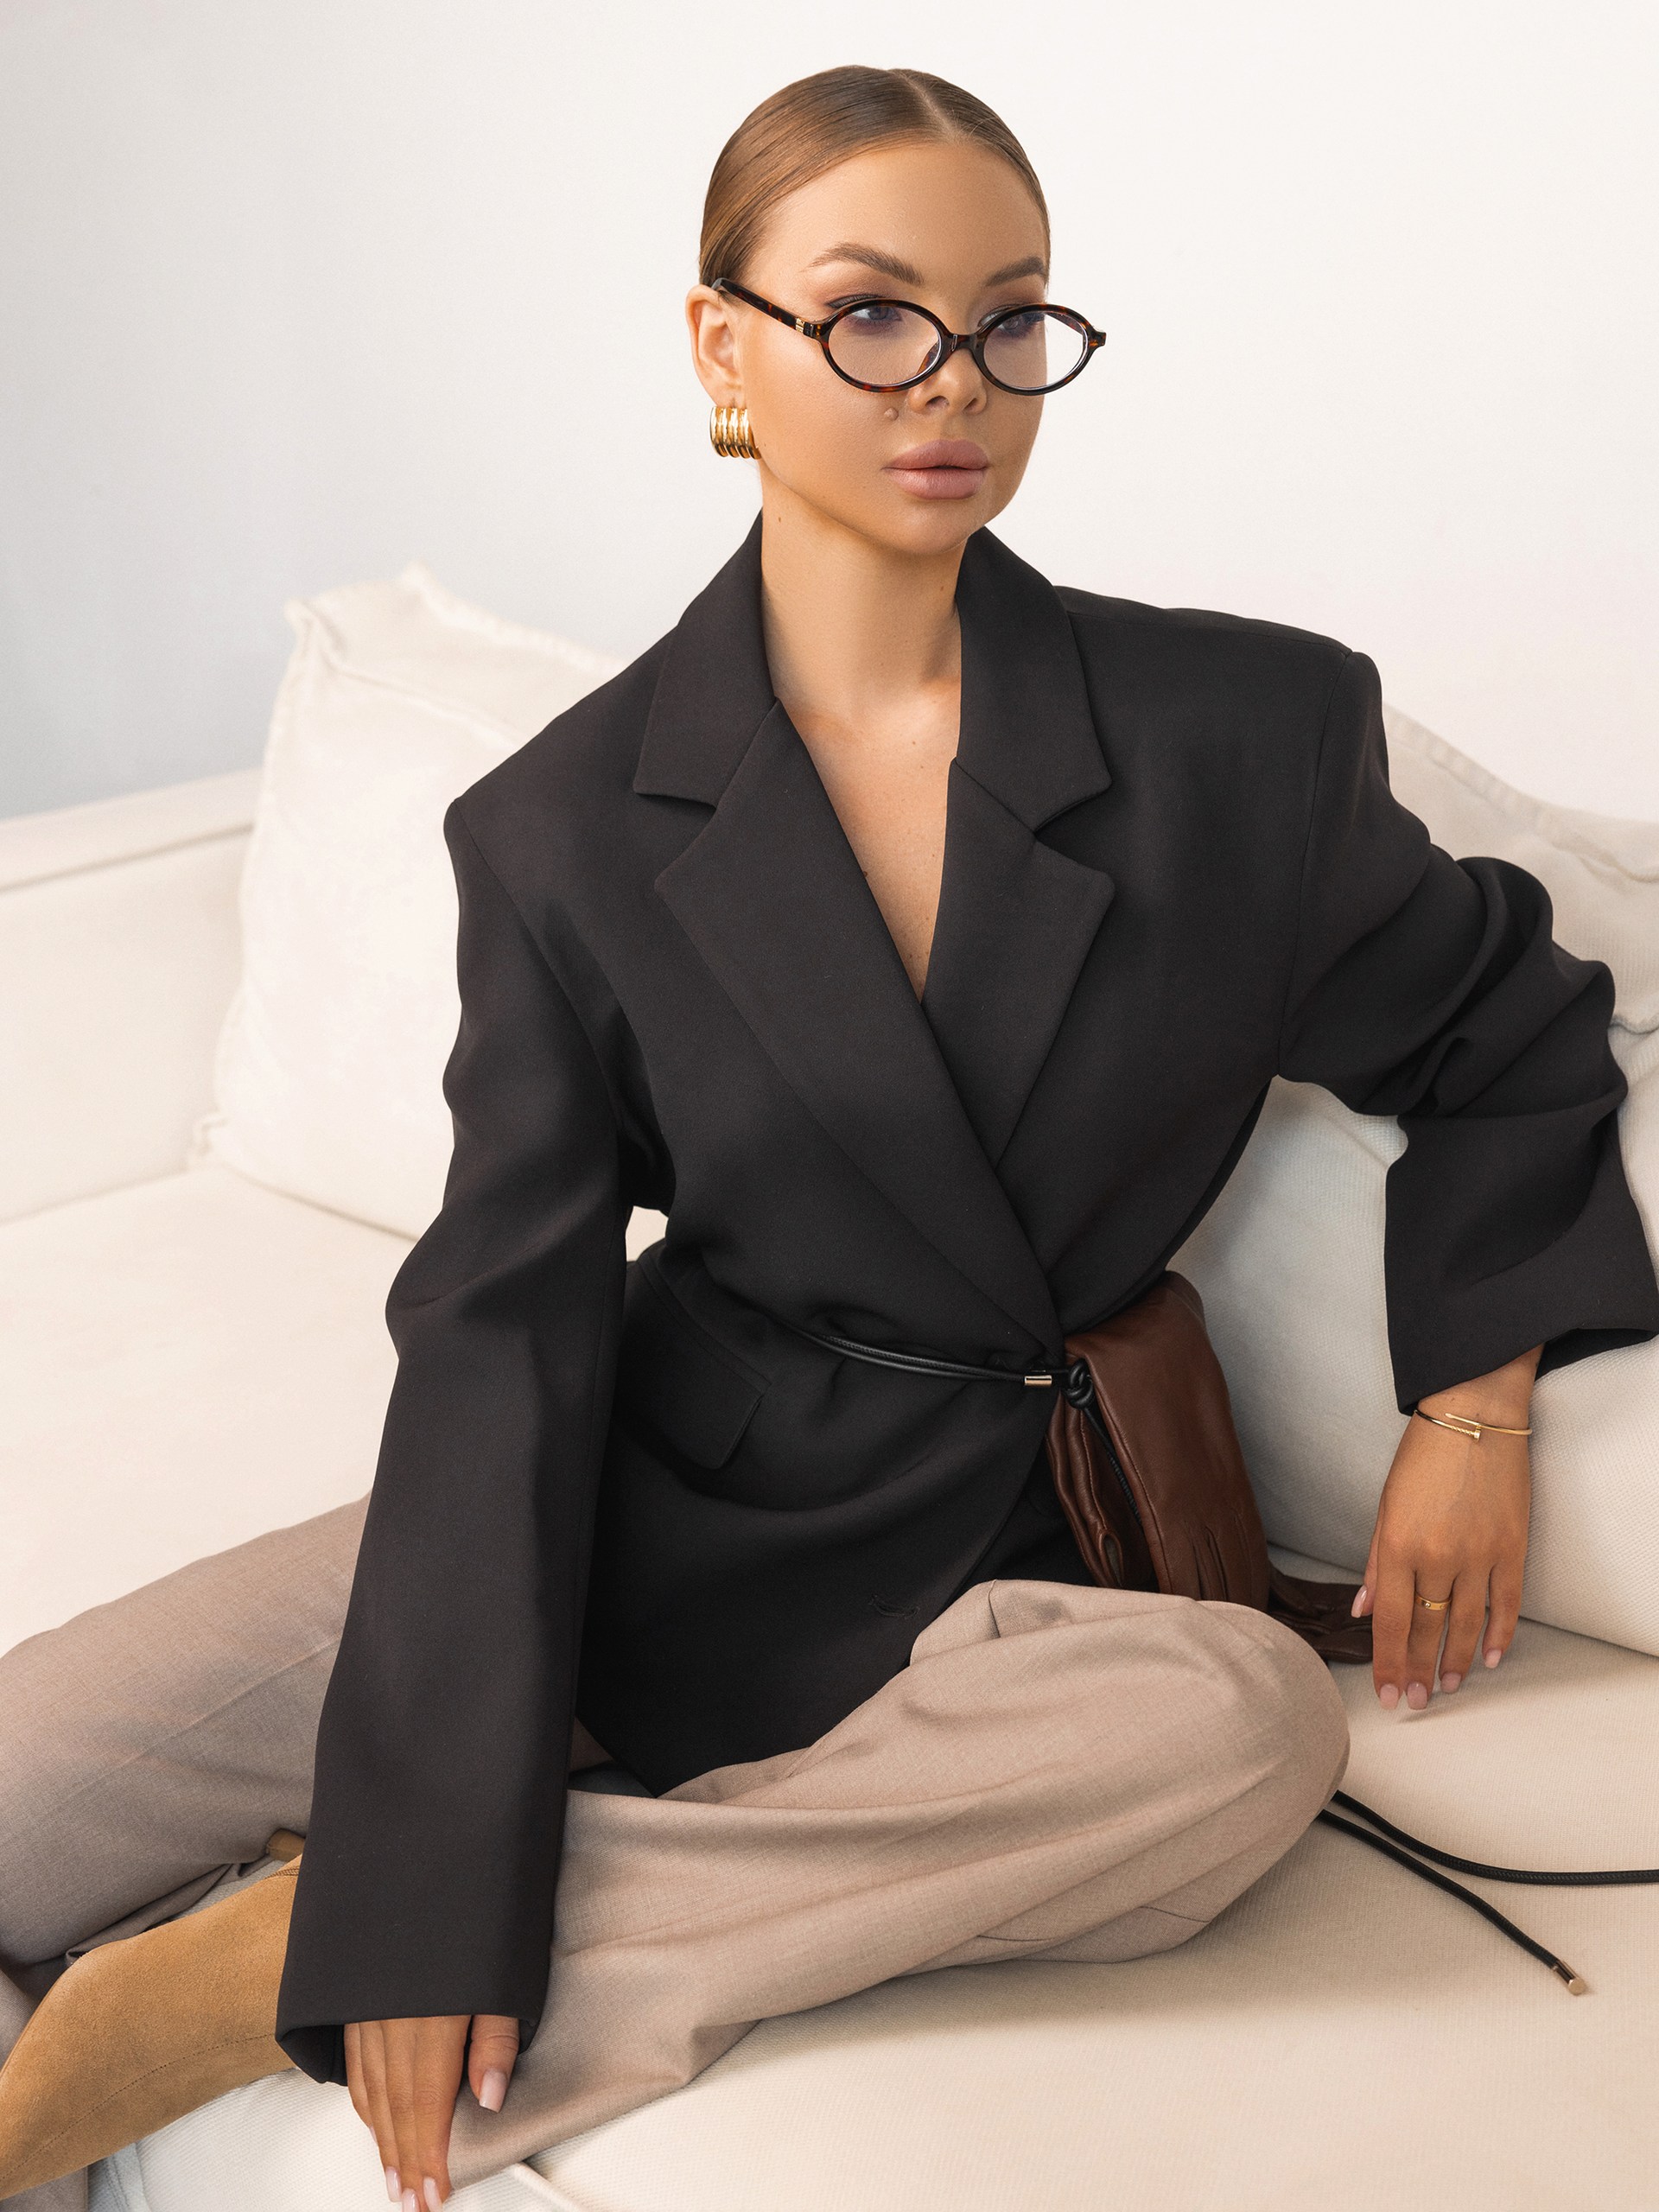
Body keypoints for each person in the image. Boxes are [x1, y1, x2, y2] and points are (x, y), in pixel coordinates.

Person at [3, 61, 1656, 2212]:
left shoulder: (1244, 737)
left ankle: (283, 1968)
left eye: (1011, 317)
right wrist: (435, 1797)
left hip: (1025, 1561)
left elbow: (1507, 1027)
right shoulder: (563, 827)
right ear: (725, 348)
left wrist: (1475, 1405)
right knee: (23, 1781)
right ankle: (383, 1914)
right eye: (872, 313)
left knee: (1242, 1730)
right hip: (659, 1492)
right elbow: (502, 1331)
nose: (951, 380)